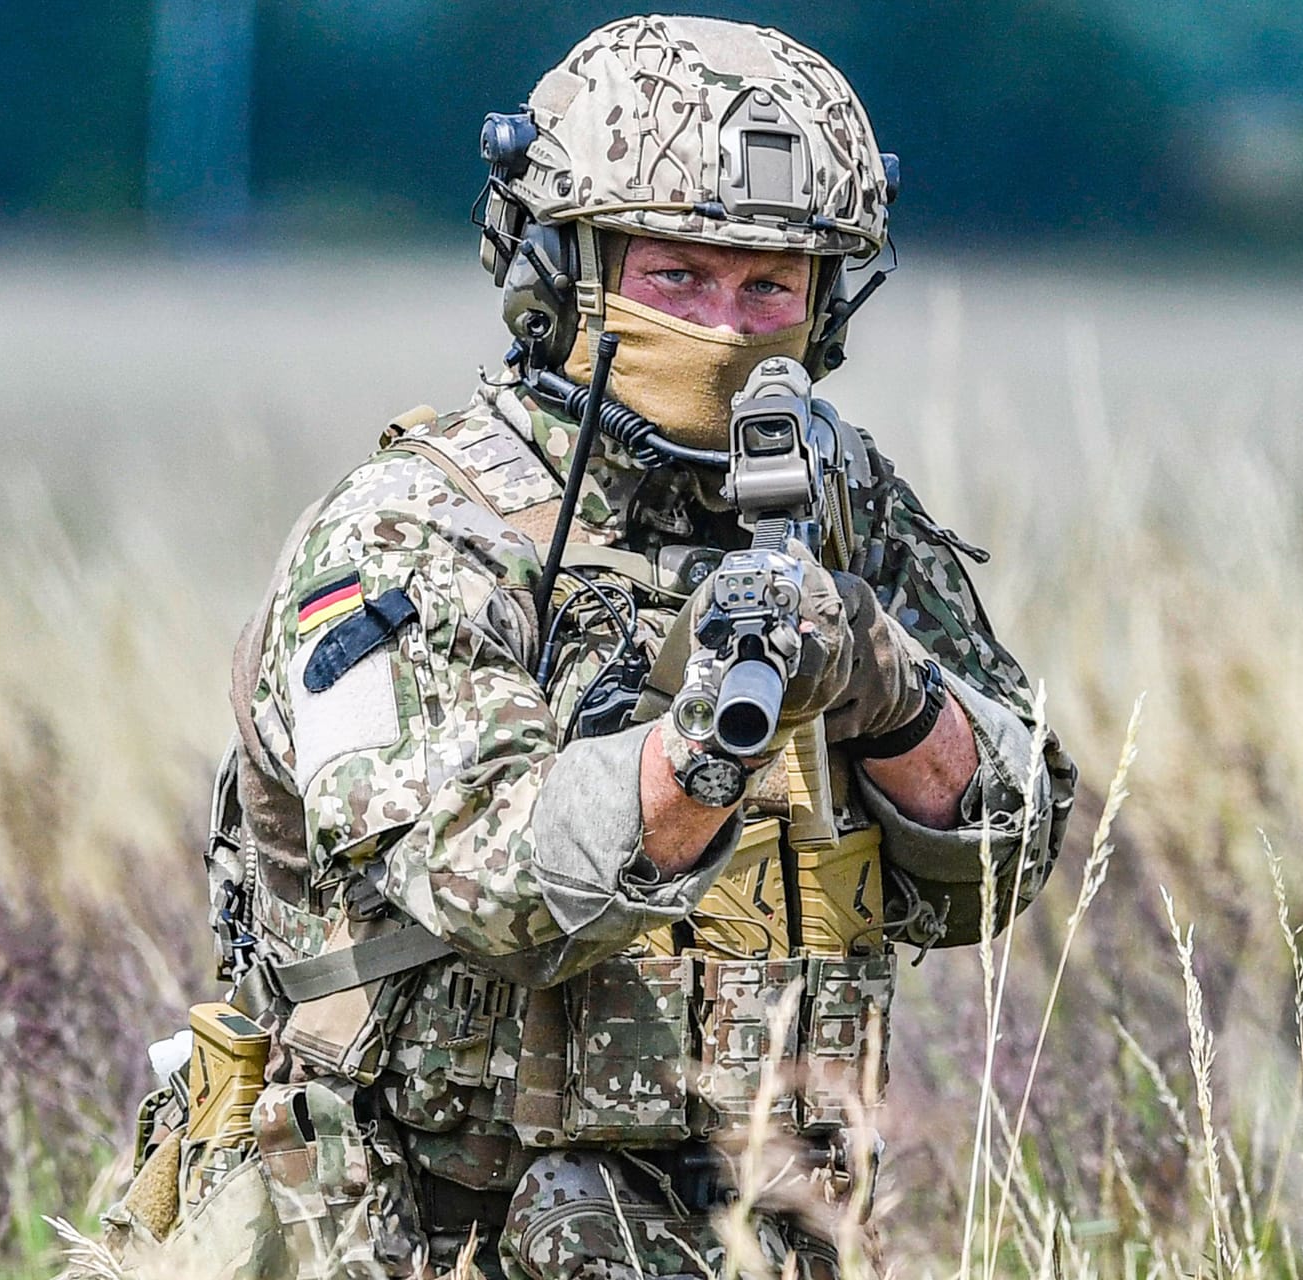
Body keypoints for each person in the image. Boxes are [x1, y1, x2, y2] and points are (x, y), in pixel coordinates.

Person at [106, 15, 1074, 1280]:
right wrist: (701, 747)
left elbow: (1011, 851)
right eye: (678, 277)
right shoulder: (413, 532)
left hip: (751, 1226)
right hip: (416, 1223)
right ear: (558, 276)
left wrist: (883, 687)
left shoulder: (847, 508)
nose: (729, 331)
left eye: (770, 286)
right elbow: (495, 883)